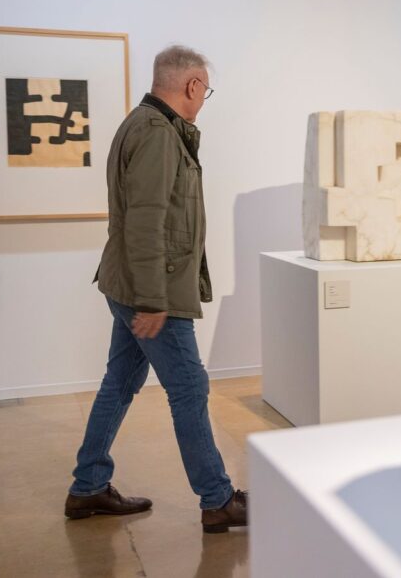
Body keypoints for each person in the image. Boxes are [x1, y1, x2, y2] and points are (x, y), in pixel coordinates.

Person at [64, 45, 248, 534]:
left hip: (130, 282)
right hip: (151, 288)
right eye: (204, 90)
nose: (203, 99)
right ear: (191, 86)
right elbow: (146, 222)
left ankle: (87, 487)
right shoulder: (158, 134)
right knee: (189, 387)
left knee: (120, 382)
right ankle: (217, 499)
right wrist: (152, 301)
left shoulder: (144, 124)